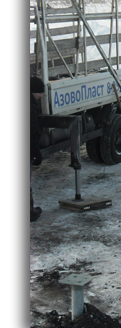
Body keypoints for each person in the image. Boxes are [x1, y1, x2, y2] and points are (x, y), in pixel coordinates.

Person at [30, 76, 44, 222]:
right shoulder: (31, 108)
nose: (41, 96)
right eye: (39, 93)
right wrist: (36, 153)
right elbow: (31, 132)